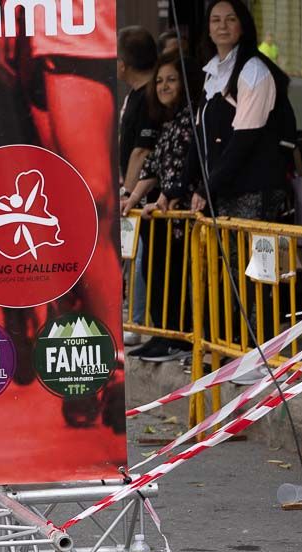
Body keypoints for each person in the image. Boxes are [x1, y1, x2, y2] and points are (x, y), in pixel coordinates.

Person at [190, 0, 291, 379]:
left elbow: (244, 139)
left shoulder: (254, 71)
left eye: (230, 19)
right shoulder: (211, 73)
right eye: (215, 19)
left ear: (243, 26)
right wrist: (188, 185)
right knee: (229, 273)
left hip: (254, 190)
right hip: (225, 191)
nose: (222, 26)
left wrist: (208, 187)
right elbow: (199, 137)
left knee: (258, 275)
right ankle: (236, 351)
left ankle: (263, 356)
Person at [123, 51, 199, 362]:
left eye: (171, 80)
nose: (164, 86)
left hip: (180, 216)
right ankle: (162, 334)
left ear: (185, 83)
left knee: (175, 279)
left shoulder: (191, 118)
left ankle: (177, 337)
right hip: (160, 213)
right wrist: (132, 198)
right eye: (159, 81)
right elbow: (152, 167)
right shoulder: (167, 122)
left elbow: (186, 168)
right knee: (155, 275)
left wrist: (169, 196)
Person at [117, 26, 159, 345]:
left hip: (146, 197)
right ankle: (133, 316)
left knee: (141, 256)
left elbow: (141, 151)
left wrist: (127, 192)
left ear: (123, 63)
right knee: (133, 255)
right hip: (132, 193)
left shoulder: (149, 97)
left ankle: (138, 320)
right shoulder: (133, 96)